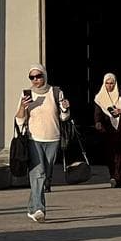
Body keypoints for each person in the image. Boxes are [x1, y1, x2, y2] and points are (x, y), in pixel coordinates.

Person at [15, 63, 70, 223]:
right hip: (34, 139)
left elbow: (64, 118)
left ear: (44, 76)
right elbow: (19, 120)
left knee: (45, 174)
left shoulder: (56, 92)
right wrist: (24, 107)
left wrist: (66, 109)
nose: (35, 80)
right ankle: (39, 209)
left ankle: (32, 207)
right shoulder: (26, 94)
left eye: (38, 76)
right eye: (32, 77)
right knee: (38, 173)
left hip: (53, 138)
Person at [92, 73, 121, 188]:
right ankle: (114, 177)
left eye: (112, 83)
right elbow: (98, 112)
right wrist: (98, 122)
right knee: (111, 154)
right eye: (107, 83)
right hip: (108, 128)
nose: (109, 85)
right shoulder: (100, 97)